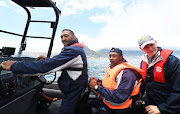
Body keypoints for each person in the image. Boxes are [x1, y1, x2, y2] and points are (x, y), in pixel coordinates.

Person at [0, 29, 88, 114]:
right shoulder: (75, 49)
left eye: (66, 36)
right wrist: (47, 60)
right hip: (74, 86)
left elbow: (46, 67)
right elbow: (62, 63)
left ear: (74, 37)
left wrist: (14, 66)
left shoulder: (74, 51)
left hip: (74, 88)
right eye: (61, 37)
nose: (63, 39)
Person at [88, 47, 144, 114]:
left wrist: (96, 87)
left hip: (118, 108)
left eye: (114, 56)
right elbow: (110, 85)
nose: (111, 58)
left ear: (121, 57)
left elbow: (119, 97)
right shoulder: (113, 68)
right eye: (110, 56)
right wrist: (98, 82)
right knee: (85, 104)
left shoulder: (127, 73)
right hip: (106, 102)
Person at [138, 35, 180, 114]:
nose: (150, 48)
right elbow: (144, 83)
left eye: (151, 44)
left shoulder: (173, 62)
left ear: (155, 42)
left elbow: (178, 90)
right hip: (150, 106)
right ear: (141, 49)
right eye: (146, 47)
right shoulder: (143, 62)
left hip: (168, 108)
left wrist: (162, 108)